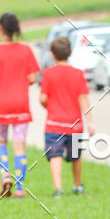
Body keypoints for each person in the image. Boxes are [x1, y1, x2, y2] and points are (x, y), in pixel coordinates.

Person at [0, 12, 39, 198]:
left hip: (2, 105)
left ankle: (5, 175)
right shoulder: (26, 51)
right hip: (21, 105)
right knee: (19, 145)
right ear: (16, 28)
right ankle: (20, 187)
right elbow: (33, 78)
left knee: (0, 142)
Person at [40, 36, 95, 198]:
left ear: (53, 55)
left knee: (55, 155)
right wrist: (90, 122)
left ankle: (58, 188)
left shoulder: (48, 73)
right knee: (76, 156)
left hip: (54, 124)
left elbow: (43, 98)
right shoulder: (78, 74)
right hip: (75, 125)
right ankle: (77, 186)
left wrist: (49, 106)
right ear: (70, 52)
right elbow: (83, 99)